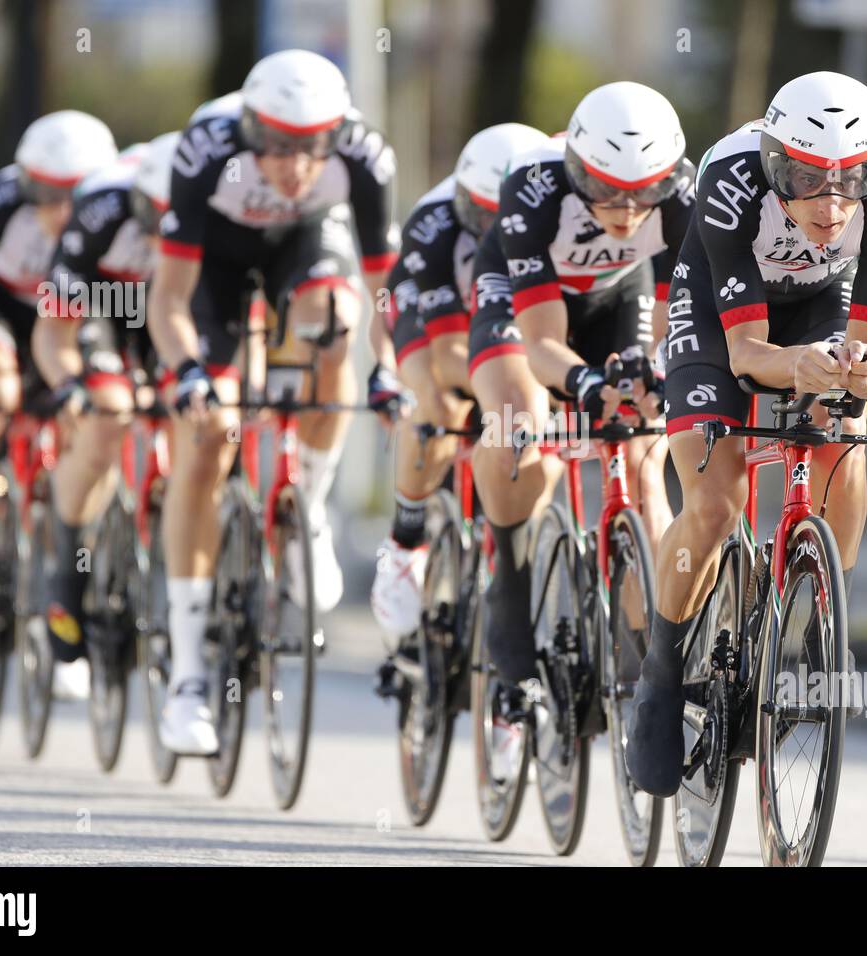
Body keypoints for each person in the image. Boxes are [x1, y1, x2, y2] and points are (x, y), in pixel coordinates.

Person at [626, 71, 867, 797]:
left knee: (842, 439)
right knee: (715, 502)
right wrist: (798, 368)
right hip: (723, 316)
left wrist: (866, 372)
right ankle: (660, 678)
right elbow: (746, 354)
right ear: (772, 161)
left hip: (822, 301)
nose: (831, 204)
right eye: (806, 179)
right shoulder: (729, 182)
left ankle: (823, 622)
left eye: (853, 181)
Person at [148, 49, 397, 754]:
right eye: (276, 147)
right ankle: (190, 673)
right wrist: (191, 373)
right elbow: (168, 298)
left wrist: (390, 370)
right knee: (206, 438)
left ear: (337, 134)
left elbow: (388, 295)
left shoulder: (365, 157)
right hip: (216, 269)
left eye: (311, 147)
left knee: (330, 323)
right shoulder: (205, 151)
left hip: (307, 244)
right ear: (250, 129)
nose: (292, 166)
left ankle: (308, 508)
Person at [468, 82, 694, 775]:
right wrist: (586, 383)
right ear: (575, 172)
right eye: (606, 192)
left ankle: (646, 657)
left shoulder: (683, 197)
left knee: (647, 456)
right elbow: (542, 346)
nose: (626, 211)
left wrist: (650, 375)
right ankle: (508, 580)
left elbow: (679, 315)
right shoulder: (534, 189)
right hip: (522, 306)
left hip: (617, 298)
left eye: (642, 194)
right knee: (518, 425)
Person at [0, 109, 117, 697]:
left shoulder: (115, 212)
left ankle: (71, 578)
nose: (59, 211)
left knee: (103, 415)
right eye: (44, 194)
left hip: (78, 318)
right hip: (1, 312)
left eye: (73, 196)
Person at [369, 122, 547, 644]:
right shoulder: (434, 222)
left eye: (504, 218)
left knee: (544, 437)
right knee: (440, 402)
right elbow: (450, 355)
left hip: (505, 330)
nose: (494, 230)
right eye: (481, 215)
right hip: (432, 317)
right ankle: (405, 542)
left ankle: (517, 542)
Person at [31, 132, 180, 670]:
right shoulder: (99, 212)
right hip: (101, 303)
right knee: (109, 410)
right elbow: (52, 331)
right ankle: (66, 569)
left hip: (172, 306)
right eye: (160, 222)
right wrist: (69, 386)